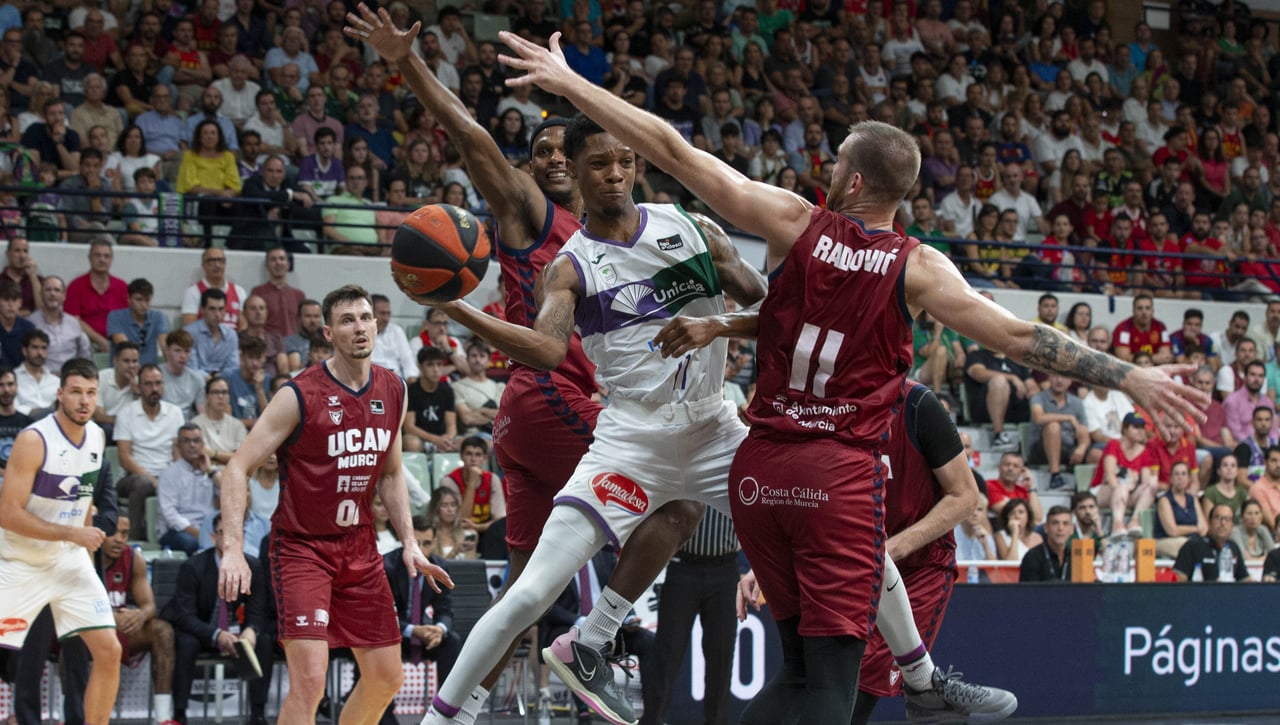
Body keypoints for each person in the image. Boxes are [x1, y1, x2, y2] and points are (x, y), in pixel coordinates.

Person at [486, 24, 1206, 724]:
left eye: (835, 161)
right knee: (833, 675)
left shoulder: (793, 222)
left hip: (757, 468)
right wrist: (1128, 377)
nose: (826, 168)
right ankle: (923, 680)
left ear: (852, 178)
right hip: (835, 477)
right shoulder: (918, 267)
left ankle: (924, 681)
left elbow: (674, 152)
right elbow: (1021, 336)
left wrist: (575, 87)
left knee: (796, 669)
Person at [348, 15, 711, 723]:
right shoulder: (531, 216)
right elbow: (471, 137)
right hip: (548, 393)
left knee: (524, 593)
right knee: (676, 498)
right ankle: (604, 633)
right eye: (538, 151)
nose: (547, 159)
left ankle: (451, 712)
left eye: (559, 149)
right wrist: (410, 63)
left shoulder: (618, 233)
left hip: (529, 418)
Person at [412, 108, 766, 725]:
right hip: (621, 429)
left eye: (624, 162)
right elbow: (548, 350)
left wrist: (718, 320)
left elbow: (770, 303)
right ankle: (449, 715)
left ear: (639, 165)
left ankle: (918, 672)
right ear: (575, 173)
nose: (613, 175)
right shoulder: (566, 260)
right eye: (598, 164)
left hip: (713, 427)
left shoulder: (690, 228)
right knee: (538, 585)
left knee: (828, 524)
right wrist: (457, 308)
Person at [218, 285, 451, 725]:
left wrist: (409, 542)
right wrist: (232, 548)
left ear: (377, 325)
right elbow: (237, 467)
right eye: (347, 320)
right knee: (309, 679)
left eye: (365, 317)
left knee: (386, 677)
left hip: (359, 548)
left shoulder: (394, 389)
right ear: (329, 332)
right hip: (302, 548)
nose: (359, 327)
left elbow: (391, 473)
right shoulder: (298, 394)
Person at [0, 358, 120, 725]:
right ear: (60, 393)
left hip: (69, 563)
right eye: (76, 392)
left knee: (109, 651)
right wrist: (72, 533)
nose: (84, 401)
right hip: (22, 564)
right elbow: (7, 514)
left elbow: (82, 497)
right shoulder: (33, 440)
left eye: (91, 393)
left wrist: (80, 532)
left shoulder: (97, 436)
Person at [162, 512, 275, 725]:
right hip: (202, 629)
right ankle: (180, 714)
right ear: (214, 538)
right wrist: (216, 634)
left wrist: (251, 630)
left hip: (235, 630)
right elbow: (184, 616)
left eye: (237, 534)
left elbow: (258, 610)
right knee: (186, 642)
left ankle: (258, 714)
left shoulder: (253, 567)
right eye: (225, 533)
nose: (231, 539)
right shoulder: (192, 567)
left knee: (264, 641)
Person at [642, 508, 740, 725]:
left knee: (721, 657)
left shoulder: (736, 473)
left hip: (726, 568)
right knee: (666, 654)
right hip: (682, 566)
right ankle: (651, 721)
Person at [94, 514, 178, 722]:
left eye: (125, 534)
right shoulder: (85, 556)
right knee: (71, 637)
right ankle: (69, 715)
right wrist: (108, 617)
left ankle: (163, 717)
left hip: (120, 629)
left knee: (162, 631)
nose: (119, 539)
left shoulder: (133, 558)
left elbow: (150, 605)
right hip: (90, 629)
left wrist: (140, 615)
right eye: (114, 532)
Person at [382, 513, 463, 721]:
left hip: (424, 634)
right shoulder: (387, 566)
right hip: (392, 635)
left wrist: (439, 629)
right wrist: (412, 630)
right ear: (405, 543)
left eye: (427, 544)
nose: (421, 550)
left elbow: (445, 610)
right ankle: (385, 719)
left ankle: (446, 715)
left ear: (434, 543)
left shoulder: (439, 567)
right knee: (377, 645)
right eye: (416, 544)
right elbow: (382, 617)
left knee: (451, 642)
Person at [115, 363, 186, 538]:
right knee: (142, 484)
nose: (154, 388)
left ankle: (177, 535)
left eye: (158, 383)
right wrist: (153, 480)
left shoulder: (174, 413)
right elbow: (124, 457)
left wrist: (172, 478)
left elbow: (178, 453)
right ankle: (134, 538)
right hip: (134, 476)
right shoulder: (126, 413)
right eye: (148, 384)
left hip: (166, 474)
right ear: (139, 387)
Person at [1091, 412, 1161, 538]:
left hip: (1128, 494)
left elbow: (1145, 482)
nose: (1140, 431)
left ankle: (1135, 520)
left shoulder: (1144, 451)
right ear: (1125, 429)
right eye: (1135, 427)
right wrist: (1124, 485)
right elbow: (1109, 476)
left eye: (1142, 428)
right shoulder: (1114, 444)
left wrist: (1133, 486)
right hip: (1105, 491)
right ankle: (1117, 524)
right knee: (1121, 485)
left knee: (1153, 482)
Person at [157, 423, 219, 554]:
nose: (192, 445)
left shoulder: (210, 471)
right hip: (177, 531)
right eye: (186, 441)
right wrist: (198, 533)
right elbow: (170, 515)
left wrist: (210, 471)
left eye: (196, 441)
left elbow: (228, 496)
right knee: (191, 542)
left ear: (203, 444)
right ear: (178, 446)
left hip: (209, 528)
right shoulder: (169, 473)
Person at [1028, 372, 1090, 490]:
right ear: (1049, 378)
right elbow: (1038, 417)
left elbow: (1084, 431)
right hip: (1040, 450)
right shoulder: (1038, 398)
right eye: (1056, 376)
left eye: (1064, 377)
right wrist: (1068, 418)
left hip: (1067, 449)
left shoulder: (1077, 402)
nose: (1060, 380)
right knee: (1053, 427)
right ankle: (1055, 477)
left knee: (1093, 451)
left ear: (1070, 381)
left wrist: (1082, 448)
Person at [439, 436, 505, 543]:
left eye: (478, 455)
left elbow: (500, 521)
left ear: (484, 459)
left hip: (486, 530)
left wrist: (478, 527)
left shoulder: (493, 479)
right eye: (469, 454)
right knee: (469, 534)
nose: (473, 459)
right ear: (461, 457)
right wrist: (472, 482)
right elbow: (461, 519)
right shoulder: (449, 481)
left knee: (500, 533)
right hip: (457, 530)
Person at [28, 275, 93, 372]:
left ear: (64, 296)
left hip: (71, 377)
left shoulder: (73, 323)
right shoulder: (31, 323)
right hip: (42, 379)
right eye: (48, 290)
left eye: (57, 290)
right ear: (41, 294)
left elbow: (84, 357)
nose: (52, 294)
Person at [1172, 504, 1250, 582]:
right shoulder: (1192, 546)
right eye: (1218, 518)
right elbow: (1179, 580)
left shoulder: (1233, 547)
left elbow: (1244, 579)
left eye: (1227, 519)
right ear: (1209, 522)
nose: (1223, 523)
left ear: (1232, 525)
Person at [106, 277, 168, 365]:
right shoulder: (115, 316)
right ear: (129, 299)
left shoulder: (158, 317)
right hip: (124, 372)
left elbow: (165, 347)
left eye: (147, 300)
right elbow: (126, 349)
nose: (143, 305)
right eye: (139, 299)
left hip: (149, 374)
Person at [1153, 461, 1208, 557]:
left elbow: (1204, 528)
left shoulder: (1193, 499)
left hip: (1191, 540)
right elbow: (1173, 531)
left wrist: (1195, 530)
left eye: (1184, 474)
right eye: (1176, 474)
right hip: (1166, 540)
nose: (1180, 477)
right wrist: (1194, 529)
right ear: (1171, 479)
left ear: (1189, 479)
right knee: (1188, 545)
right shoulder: (1165, 500)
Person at [250, 247, 307, 339]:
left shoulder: (299, 295)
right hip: (268, 345)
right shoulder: (258, 292)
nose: (278, 262)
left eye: (282, 259)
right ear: (267, 265)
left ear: (288, 264)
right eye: (273, 259)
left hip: (294, 346)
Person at [184, 288, 240, 375]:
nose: (217, 314)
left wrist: (219, 379)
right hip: (197, 384)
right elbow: (191, 369)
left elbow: (233, 368)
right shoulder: (189, 333)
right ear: (202, 310)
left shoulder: (231, 335)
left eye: (221, 309)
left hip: (224, 384)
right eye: (212, 309)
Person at [1018, 506, 1073, 582]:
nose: (1060, 528)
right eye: (1055, 523)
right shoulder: (1032, 557)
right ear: (1046, 528)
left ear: (1072, 529)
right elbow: (1028, 592)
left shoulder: (1076, 557)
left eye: (1065, 524)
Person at [160, 329, 206, 420]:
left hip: (187, 427)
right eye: (177, 350)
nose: (183, 356)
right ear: (167, 350)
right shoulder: (155, 376)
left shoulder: (197, 379)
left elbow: (202, 414)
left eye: (187, 351)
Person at [13, 329, 58, 416]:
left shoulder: (56, 381)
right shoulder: (13, 378)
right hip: (23, 424)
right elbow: (12, 408)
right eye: (35, 347)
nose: (40, 353)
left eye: (43, 348)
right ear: (25, 351)